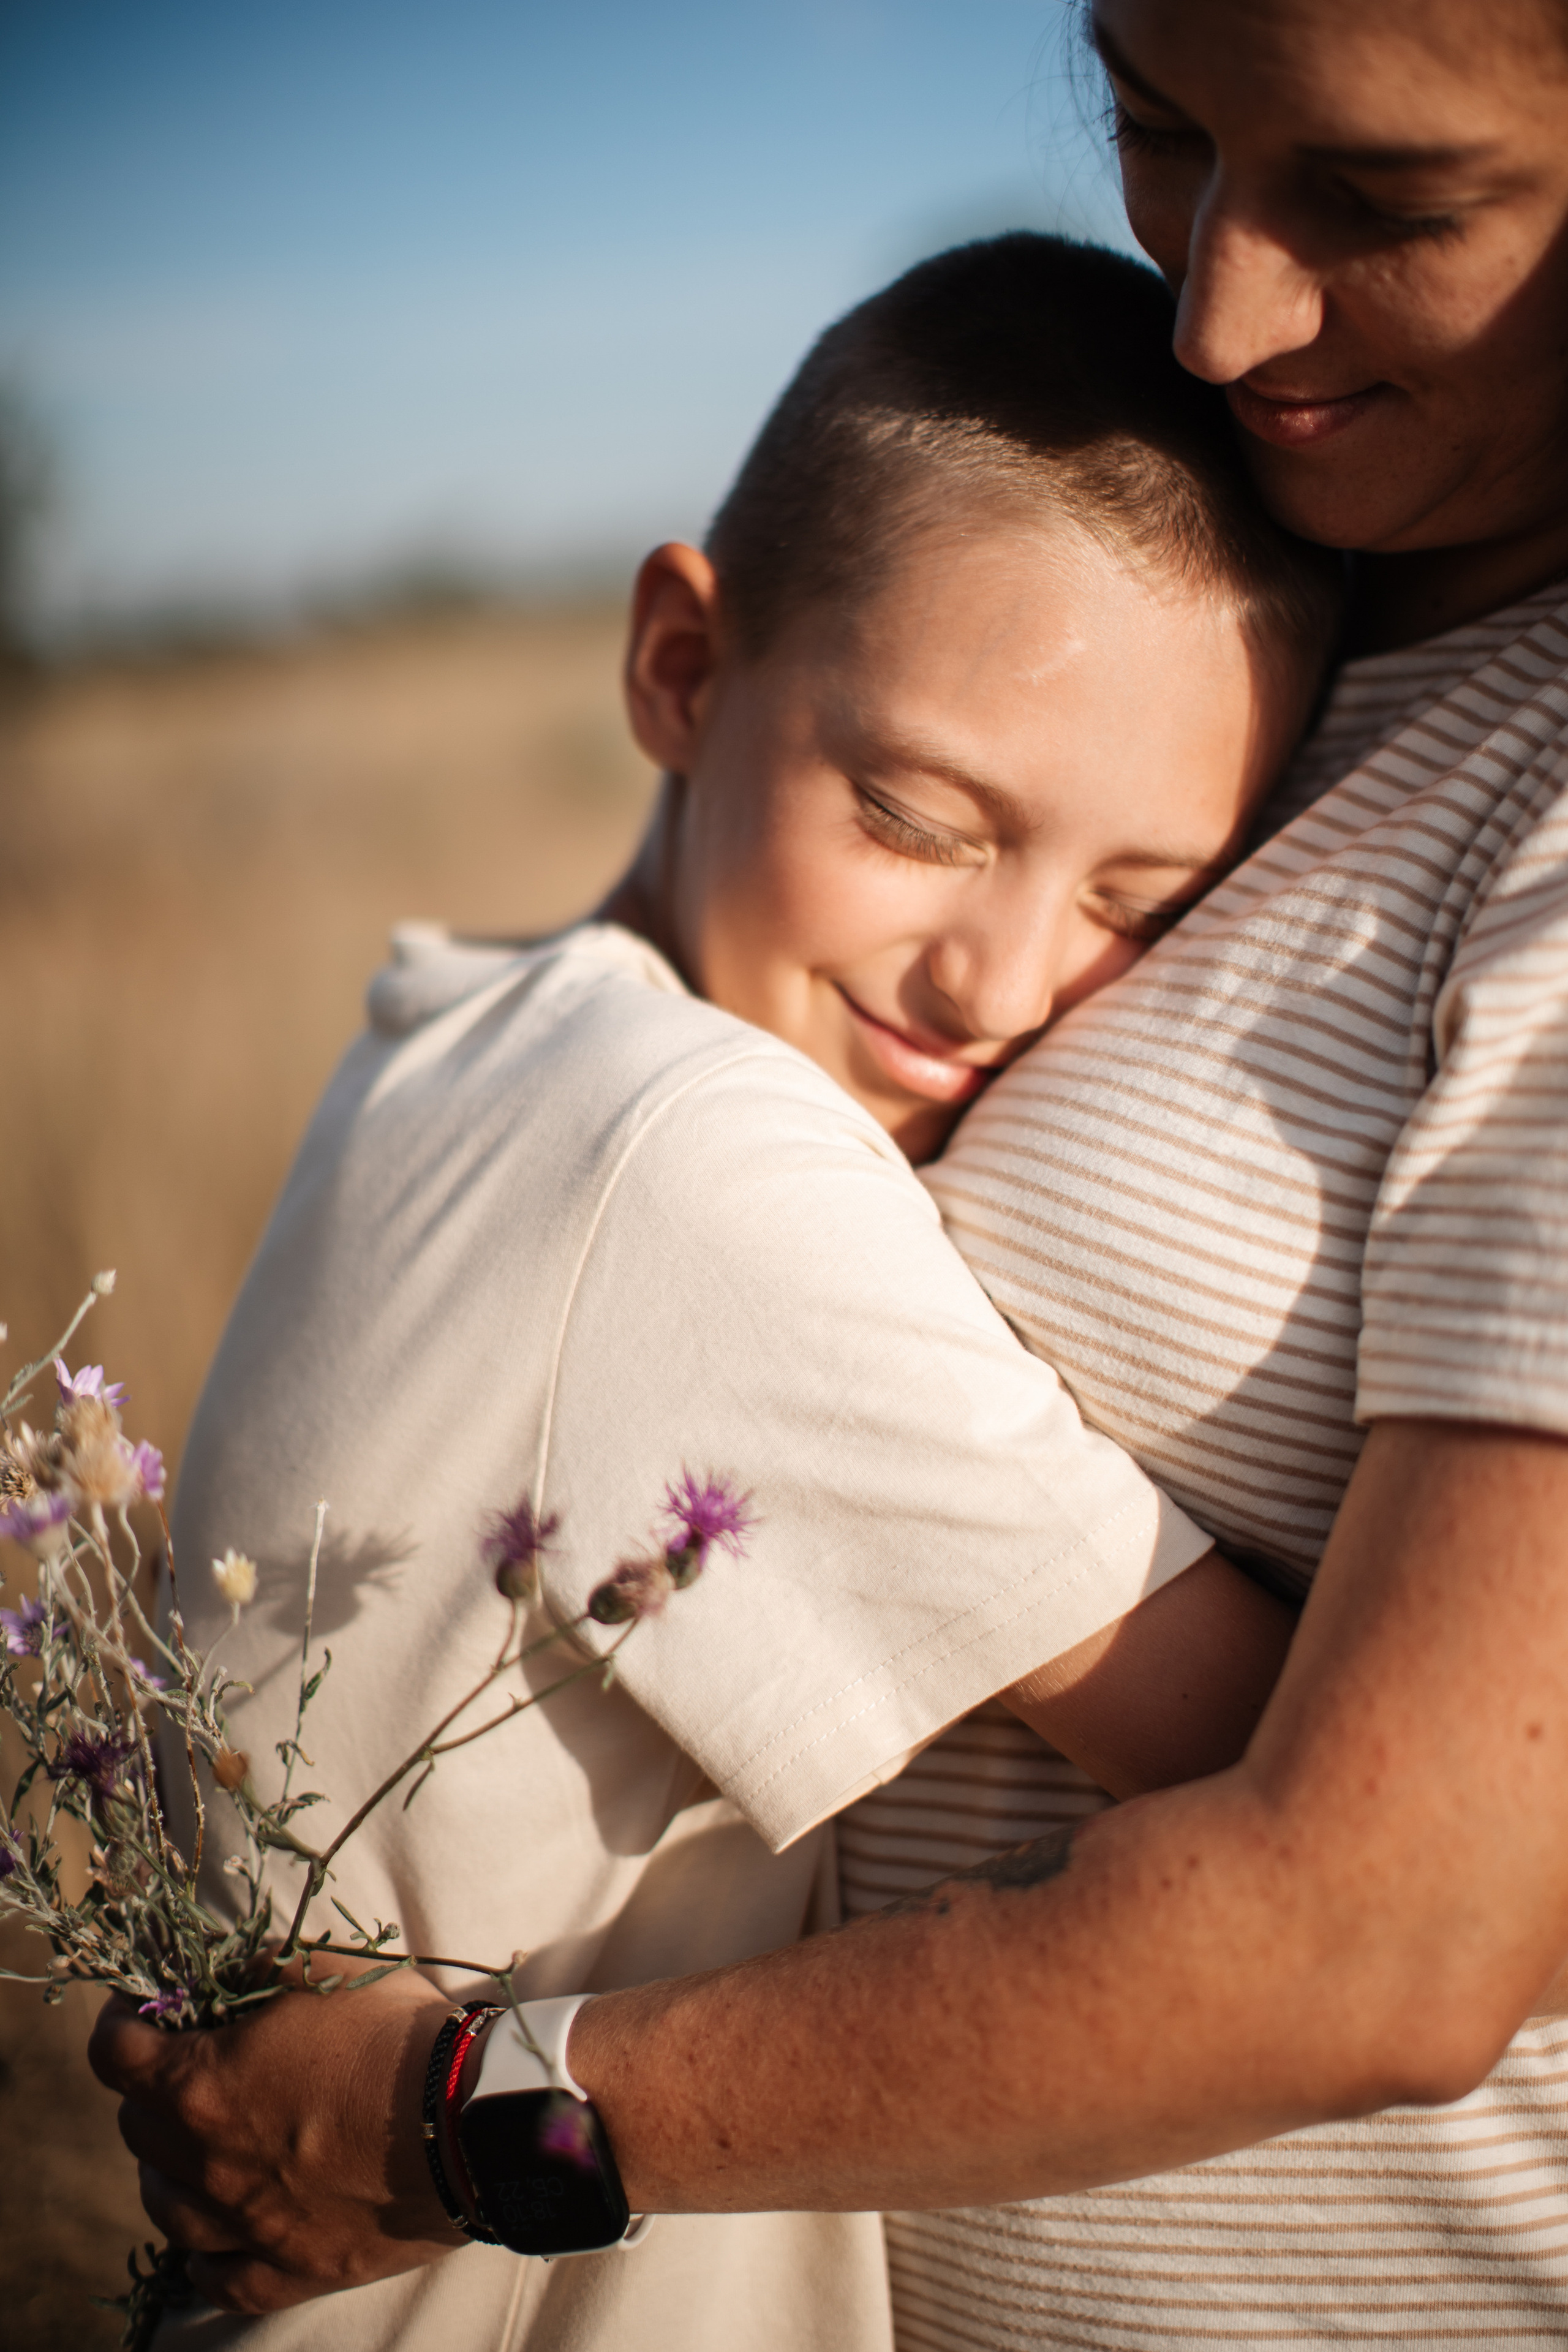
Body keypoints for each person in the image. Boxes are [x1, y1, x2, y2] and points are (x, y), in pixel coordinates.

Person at [89, 233, 1338, 2352]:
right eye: (918, 817)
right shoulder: (696, 1165)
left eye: (1145, 902)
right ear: (681, 664)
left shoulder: (464, 1028)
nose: (1002, 984)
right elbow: (1281, 1756)